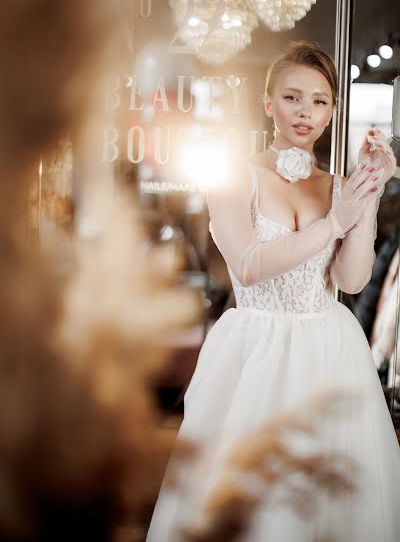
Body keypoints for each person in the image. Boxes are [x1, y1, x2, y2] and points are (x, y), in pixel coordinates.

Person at [146, 41, 400, 541]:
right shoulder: (235, 176)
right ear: (269, 104)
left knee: (330, 496)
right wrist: (333, 225)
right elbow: (249, 264)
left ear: (332, 113)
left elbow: (350, 282)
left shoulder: (336, 185)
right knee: (254, 500)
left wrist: (366, 194)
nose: (305, 111)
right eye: (292, 97)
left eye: (320, 101)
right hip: (255, 351)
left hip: (331, 350)